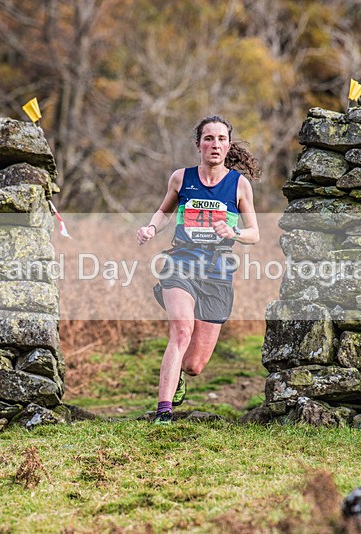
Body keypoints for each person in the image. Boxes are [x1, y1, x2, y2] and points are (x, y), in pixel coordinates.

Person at [136, 115, 260, 425]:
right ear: (198, 145)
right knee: (181, 331)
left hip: (217, 274)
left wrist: (235, 234)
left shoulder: (239, 185)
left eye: (220, 139)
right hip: (180, 264)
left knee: (193, 365)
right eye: (208, 138)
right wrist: (151, 228)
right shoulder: (181, 178)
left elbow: (254, 233)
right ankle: (164, 411)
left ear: (228, 145)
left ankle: (180, 378)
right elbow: (164, 212)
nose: (214, 144)